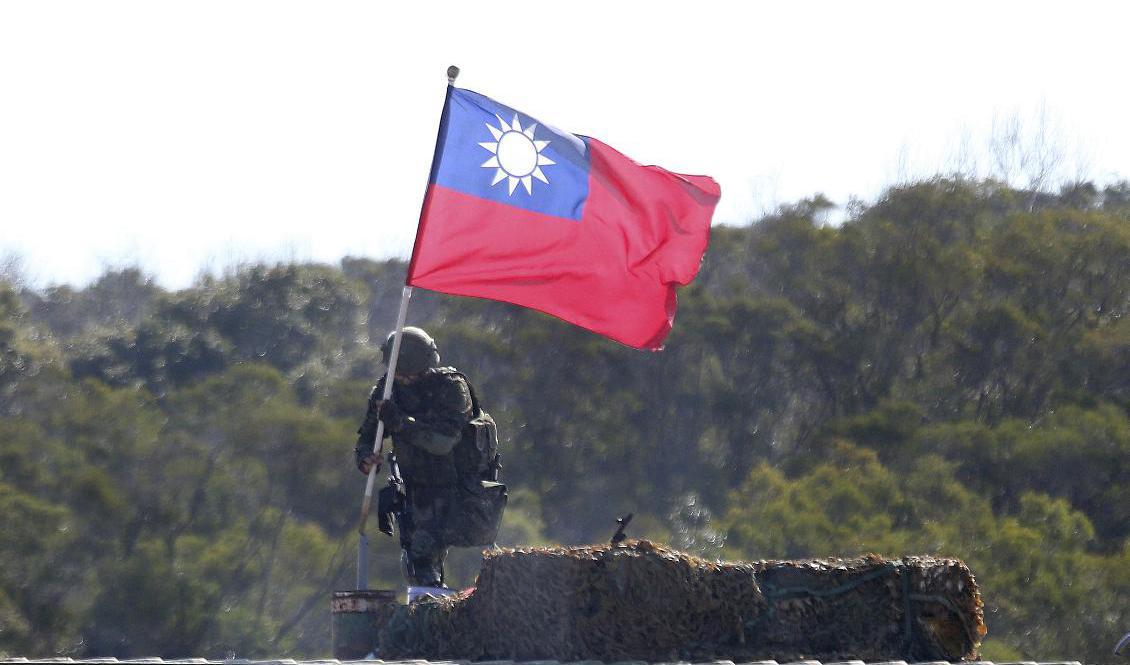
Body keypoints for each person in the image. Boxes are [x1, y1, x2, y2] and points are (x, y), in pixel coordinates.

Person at [354, 326, 487, 589]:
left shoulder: (451, 388)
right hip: (416, 489)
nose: (403, 380)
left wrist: (401, 423)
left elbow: (444, 442)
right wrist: (366, 457)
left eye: (409, 375)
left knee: (456, 551)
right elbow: (368, 437)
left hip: (459, 489)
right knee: (417, 562)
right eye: (399, 374)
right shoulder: (387, 390)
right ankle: (431, 603)